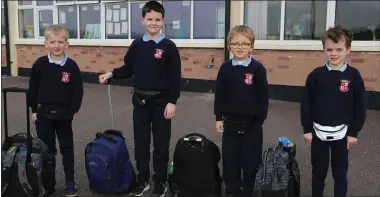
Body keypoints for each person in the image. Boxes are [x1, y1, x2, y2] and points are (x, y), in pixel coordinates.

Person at [98, 1, 181, 196]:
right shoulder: (137, 45)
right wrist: (111, 73)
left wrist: (172, 102)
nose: (153, 23)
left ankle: (159, 181)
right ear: (142, 20)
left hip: (162, 103)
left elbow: (175, 78)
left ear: (163, 21)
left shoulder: (169, 47)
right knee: (141, 142)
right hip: (140, 102)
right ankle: (143, 178)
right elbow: (128, 68)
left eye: (157, 19)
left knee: (160, 144)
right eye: (149, 19)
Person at [301, 24, 367, 197]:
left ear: (348, 50)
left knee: (340, 174)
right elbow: (306, 103)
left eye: (339, 49)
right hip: (318, 133)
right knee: (318, 174)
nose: (334, 53)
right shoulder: (316, 75)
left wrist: (354, 132)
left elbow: (360, 105)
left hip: (342, 134)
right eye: (329, 49)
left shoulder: (353, 76)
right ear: (324, 50)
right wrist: (307, 129)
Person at [27, 24, 84, 197]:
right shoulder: (40, 64)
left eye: (61, 42)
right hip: (43, 115)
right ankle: (48, 184)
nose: (57, 45)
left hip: (64, 116)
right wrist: (33, 110)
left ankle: (70, 183)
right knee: (47, 151)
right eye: (52, 42)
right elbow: (33, 89)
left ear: (67, 44)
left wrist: (71, 112)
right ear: (46, 44)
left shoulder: (72, 66)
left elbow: (77, 92)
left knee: (67, 149)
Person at [214, 25, 269, 197]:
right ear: (229, 46)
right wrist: (218, 118)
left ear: (251, 47)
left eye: (245, 44)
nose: (240, 47)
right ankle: (232, 191)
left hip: (252, 127)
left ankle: (248, 192)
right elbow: (219, 96)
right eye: (236, 43)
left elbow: (263, 98)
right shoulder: (225, 69)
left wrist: (259, 121)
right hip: (229, 125)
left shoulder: (258, 70)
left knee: (251, 164)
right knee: (231, 164)